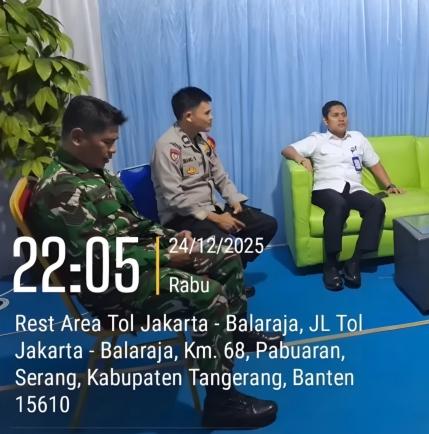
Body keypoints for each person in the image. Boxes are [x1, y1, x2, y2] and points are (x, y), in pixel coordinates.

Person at [28, 96, 282, 428]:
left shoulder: (93, 172)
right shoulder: (59, 190)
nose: (113, 151)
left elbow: (132, 224)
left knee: (228, 256)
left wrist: (171, 237)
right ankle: (222, 402)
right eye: (107, 142)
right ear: (78, 137)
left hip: (139, 263)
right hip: (116, 288)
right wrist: (165, 256)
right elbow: (98, 255)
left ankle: (234, 334)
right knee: (209, 296)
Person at [151, 87, 277, 288]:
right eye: (207, 113)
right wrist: (218, 219)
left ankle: (231, 271)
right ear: (189, 116)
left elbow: (220, 176)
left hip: (212, 209)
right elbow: (174, 199)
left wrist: (234, 199)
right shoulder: (167, 147)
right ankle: (224, 277)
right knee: (225, 244)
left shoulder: (203, 142)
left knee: (266, 225)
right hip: (183, 218)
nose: (212, 117)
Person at [281, 100, 402, 291]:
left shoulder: (358, 138)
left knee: (376, 205)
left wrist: (389, 184)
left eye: (344, 114)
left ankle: (354, 262)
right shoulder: (317, 139)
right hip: (326, 189)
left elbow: (374, 163)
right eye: (335, 115)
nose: (341, 118)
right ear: (326, 120)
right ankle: (330, 265)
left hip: (353, 188)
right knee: (339, 205)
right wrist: (301, 159)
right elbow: (287, 149)